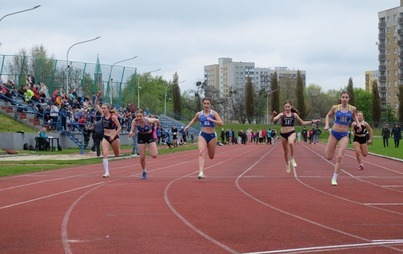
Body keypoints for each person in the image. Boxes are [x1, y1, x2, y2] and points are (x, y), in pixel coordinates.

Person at [272, 101, 320, 173]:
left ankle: (292, 158)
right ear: (284, 107)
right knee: (285, 152)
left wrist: (312, 121)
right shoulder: (282, 114)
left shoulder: (294, 115)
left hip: (291, 132)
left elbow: (302, 123)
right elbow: (273, 120)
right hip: (283, 134)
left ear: (291, 107)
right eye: (286, 107)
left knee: (291, 143)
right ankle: (287, 164)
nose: (287, 108)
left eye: (289, 106)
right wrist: (273, 115)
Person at [324, 91, 361, 186]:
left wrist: (358, 124)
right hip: (334, 133)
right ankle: (330, 147)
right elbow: (328, 115)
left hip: (344, 135)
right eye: (343, 97)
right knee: (329, 157)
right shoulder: (335, 107)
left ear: (349, 99)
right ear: (340, 98)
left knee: (340, 156)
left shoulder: (352, 109)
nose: (344, 99)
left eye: (346, 97)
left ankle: (334, 177)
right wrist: (327, 125)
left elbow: (355, 116)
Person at [184, 97, 224, 179]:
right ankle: (201, 172)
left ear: (210, 104)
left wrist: (212, 120)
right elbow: (194, 120)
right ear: (203, 104)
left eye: (208, 103)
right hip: (202, 135)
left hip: (212, 136)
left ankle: (202, 170)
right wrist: (188, 126)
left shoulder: (213, 113)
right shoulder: (199, 114)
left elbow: (221, 123)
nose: (206, 105)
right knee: (201, 152)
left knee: (211, 156)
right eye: (205, 103)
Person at [94, 91, 122, 178]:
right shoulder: (102, 115)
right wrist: (98, 96)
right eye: (102, 108)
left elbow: (120, 127)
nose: (102, 109)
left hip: (114, 137)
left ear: (108, 109)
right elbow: (95, 104)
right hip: (105, 137)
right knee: (105, 154)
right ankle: (106, 172)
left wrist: (113, 135)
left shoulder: (113, 118)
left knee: (117, 154)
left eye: (104, 108)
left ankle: (117, 151)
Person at [129, 109, 160, 180]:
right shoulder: (135, 121)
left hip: (149, 136)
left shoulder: (148, 120)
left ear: (143, 116)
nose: (139, 118)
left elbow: (157, 120)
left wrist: (157, 128)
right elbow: (132, 129)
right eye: (137, 116)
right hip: (141, 137)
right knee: (142, 157)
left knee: (154, 155)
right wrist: (131, 132)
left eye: (140, 116)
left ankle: (151, 147)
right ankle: (144, 171)